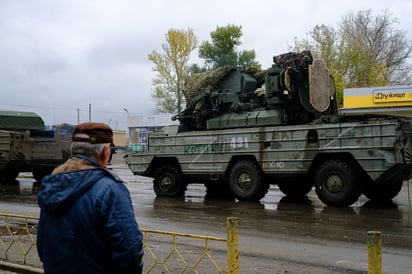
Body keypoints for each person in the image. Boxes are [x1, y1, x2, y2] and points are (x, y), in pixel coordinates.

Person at [37, 122, 143, 274]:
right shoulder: (110, 189)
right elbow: (130, 250)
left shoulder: (52, 184)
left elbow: (43, 246)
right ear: (106, 152)